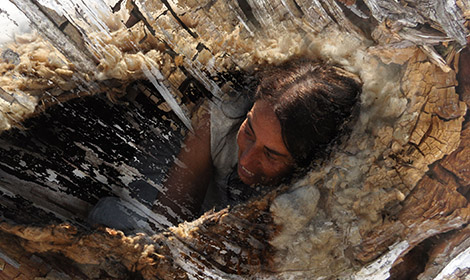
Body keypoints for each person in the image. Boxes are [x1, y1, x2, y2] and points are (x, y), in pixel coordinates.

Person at [155, 58, 362, 224]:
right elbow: (167, 216)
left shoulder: (327, 187)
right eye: (249, 132)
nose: (245, 161)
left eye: (271, 154)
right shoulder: (219, 120)